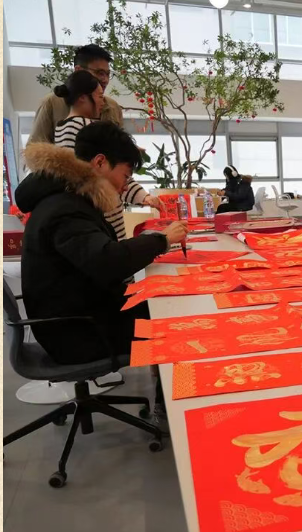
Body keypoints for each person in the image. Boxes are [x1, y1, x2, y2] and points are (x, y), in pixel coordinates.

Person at [16, 121, 187, 366]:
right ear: (99, 162)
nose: (124, 186)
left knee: (164, 299)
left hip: (83, 313)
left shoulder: (65, 197)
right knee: (177, 320)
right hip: (79, 333)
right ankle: (176, 386)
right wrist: (163, 240)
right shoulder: (65, 208)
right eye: (125, 176)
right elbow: (108, 260)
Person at [52, 70, 152, 244]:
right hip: (104, 216)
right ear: (83, 98)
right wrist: (142, 196)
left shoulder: (61, 127)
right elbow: (114, 170)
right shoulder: (85, 126)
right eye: (99, 96)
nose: (103, 102)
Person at [30, 44, 123, 144]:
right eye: (99, 73)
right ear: (78, 70)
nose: (105, 80)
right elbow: (35, 147)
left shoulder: (113, 107)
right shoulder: (51, 103)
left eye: (108, 74)